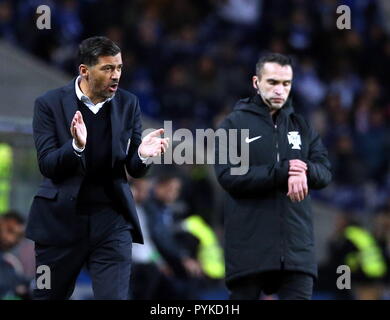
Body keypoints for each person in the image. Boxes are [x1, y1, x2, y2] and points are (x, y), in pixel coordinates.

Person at [26, 36, 169, 300]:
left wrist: (142, 155)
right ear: (84, 70)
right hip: (61, 221)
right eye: (108, 68)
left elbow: (134, 169)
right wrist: (76, 147)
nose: (116, 76)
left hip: (112, 221)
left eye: (119, 68)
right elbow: (47, 165)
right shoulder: (49, 104)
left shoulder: (129, 103)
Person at [214, 53, 332, 300]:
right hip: (250, 250)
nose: (280, 90)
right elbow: (229, 175)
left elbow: (325, 172)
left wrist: (304, 169)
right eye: (273, 82)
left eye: (286, 84)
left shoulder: (302, 126)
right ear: (256, 82)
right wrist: (283, 171)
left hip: (297, 251)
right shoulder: (233, 125)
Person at [0, 210, 29, 299]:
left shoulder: (8, 262)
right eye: (9, 230)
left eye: (19, 236)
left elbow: (20, 280)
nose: (11, 239)